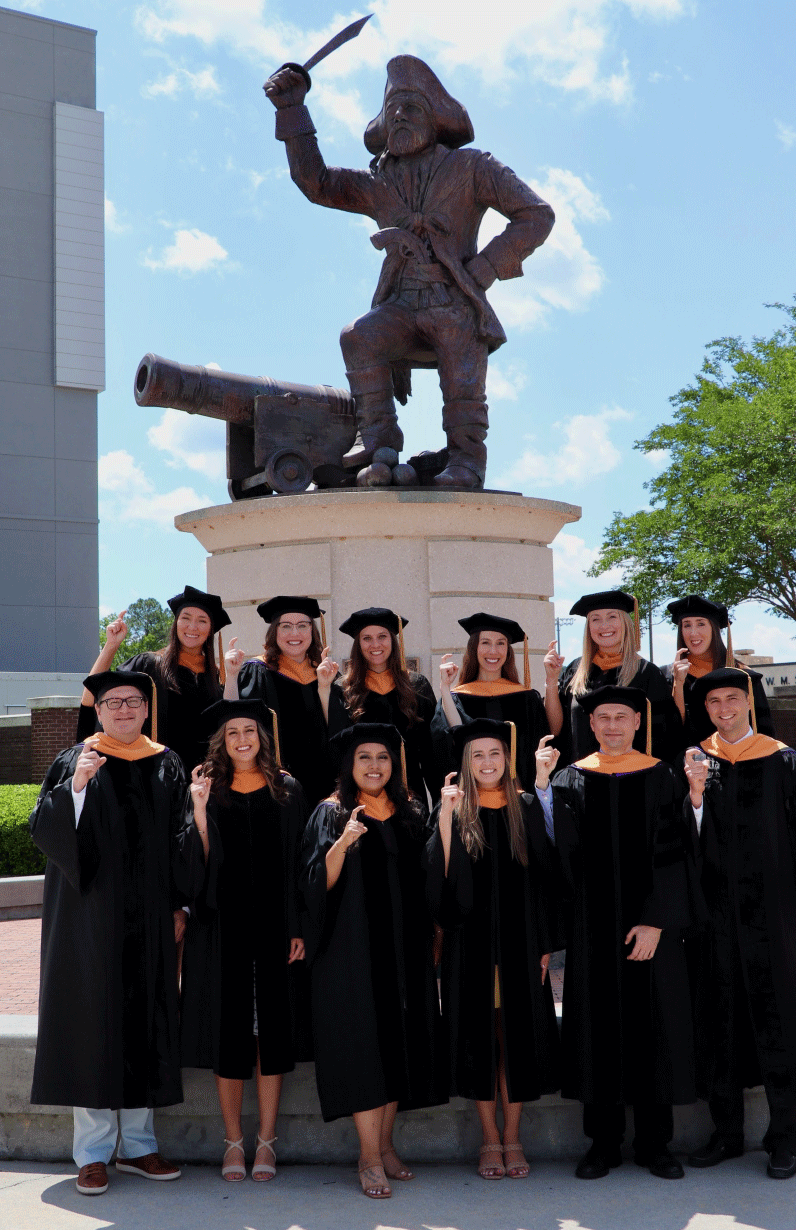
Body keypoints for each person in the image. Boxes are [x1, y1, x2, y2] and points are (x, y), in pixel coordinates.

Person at [263, 55, 554, 489]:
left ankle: (466, 460)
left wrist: (485, 268)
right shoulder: (378, 180)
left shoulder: (473, 167)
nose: (399, 116)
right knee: (358, 336)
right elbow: (316, 182)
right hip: (400, 304)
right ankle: (377, 446)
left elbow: (536, 214)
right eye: (392, 109)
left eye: (412, 108)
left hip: (454, 302)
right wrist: (292, 110)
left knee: (462, 372)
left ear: (436, 119)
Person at [29, 671, 202, 1196]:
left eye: (132, 701)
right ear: (98, 710)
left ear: (146, 710)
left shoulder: (165, 762)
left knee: (146, 1018)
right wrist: (77, 786)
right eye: (112, 702)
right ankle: (94, 1152)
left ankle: (141, 1147)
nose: (123, 710)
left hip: (150, 917)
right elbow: (45, 829)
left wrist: (181, 905)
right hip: (90, 917)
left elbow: (180, 835)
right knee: (94, 1020)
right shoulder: (77, 759)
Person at [683, 667, 796, 1179]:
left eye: (733, 698)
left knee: (783, 1020)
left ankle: (783, 1140)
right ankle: (726, 1135)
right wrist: (695, 795)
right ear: (704, 709)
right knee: (719, 1019)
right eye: (714, 702)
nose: (724, 708)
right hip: (715, 918)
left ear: (748, 702)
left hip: (776, 917)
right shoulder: (693, 762)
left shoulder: (784, 761)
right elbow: (680, 843)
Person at [540, 686, 698, 1180]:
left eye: (621, 717)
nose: (611, 725)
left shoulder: (662, 777)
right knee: (597, 1028)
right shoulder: (570, 779)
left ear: (636, 722)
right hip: (593, 930)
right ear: (590, 725)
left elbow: (676, 856)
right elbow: (556, 856)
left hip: (651, 927)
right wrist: (542, 787)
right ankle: (602, 1143)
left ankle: (657, 1144)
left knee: (655, 1027)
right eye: (602, 718)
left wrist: (656, 920)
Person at [301, 723, 447, 1199]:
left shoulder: (409, 813)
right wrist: (343, 842)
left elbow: (429, 877)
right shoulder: (330, 812)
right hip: (351, 952)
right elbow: (312, 885)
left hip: (405, 949)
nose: (374, 766)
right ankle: (367, 1158)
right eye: (364, 757)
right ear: (349, 765)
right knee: (365, 1051)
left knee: (396, 1047)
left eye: (383, 757)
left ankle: (384, 1147)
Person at [426, 720, 560, 1180]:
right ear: (465, 762)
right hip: (472, 943)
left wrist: (544, 944)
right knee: (481, 1039)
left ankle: (513, 1137)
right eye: (477, 755)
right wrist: (444, 818)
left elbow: (544, 878)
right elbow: (440, 879)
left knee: (515, 1038)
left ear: (507, 760)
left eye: (495, 754)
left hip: (522, 942)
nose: (486, 763)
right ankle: (488, 1138)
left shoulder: (523, 807)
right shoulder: (456, 809)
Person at [180, 699, 306, 1183]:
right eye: (231, 732)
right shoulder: (208, 789)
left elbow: (299, 862)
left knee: (270, 1032)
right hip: (221, 925)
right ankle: (234, 1141)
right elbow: (199, 861)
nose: (241, 739)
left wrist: (298, 925)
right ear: (221, 740)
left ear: (262, 736)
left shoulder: (287, 789)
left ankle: (267, 1141)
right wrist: (198, 809)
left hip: (275, 926)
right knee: (229, 1031)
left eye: (248, 730)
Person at [77, 585, 231, 773]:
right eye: (186, 618)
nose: (192, 627)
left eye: (202, 621)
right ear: (176, 623)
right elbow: (92, 695)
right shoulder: (149, 665)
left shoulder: (216, 678)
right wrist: (111, 646)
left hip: (204, 780)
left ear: (210, 629)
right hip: (153, 776)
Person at [224, 595, 347, 812]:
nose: (295, 633)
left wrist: (324, 688)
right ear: (275, 632)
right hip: (274, 784)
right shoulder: (257, 671)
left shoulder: (327, 673)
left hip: (324, 784)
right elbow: (231, 719)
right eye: (286, 626)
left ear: (312, 630)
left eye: (302, 625)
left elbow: (339, 732)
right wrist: (232, 676)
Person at [544, 590, 678, 763]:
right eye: (595, 619)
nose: (603, 625)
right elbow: (555, 730)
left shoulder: (647, 673)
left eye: (612, 617)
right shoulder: (576, 670)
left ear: (625, 623)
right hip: (581, 777)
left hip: (632, 777)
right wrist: (551, 681)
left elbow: (664, 737)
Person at [432, 612, 549, 791]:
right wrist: (444, 689)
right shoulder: (457, 697)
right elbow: (454, 739)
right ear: (474, 648)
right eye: (485, 642)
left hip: (519, 799)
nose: (493, 651)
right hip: (473, 799)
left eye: (500, 643)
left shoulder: (527, 699)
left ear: (508, 651)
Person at [339, 607, 441, 807]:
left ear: (393, 641)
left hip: (410, 795)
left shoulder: (417, 686)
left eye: (382, 636)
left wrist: (440, 801)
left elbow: (431, 753)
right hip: (362, 797)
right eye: (366, 638)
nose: (375, 644)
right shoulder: (344, 690)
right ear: (358, 645)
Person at [662, 594, 773, 748]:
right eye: (687, 625)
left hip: (738, 763)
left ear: (714, 628)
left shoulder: (744, 676)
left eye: (701, 624)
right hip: (688, 765)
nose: (693, 633)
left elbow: (763, 731)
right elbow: (670, 733)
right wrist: (677, 684)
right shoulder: (666, 675)